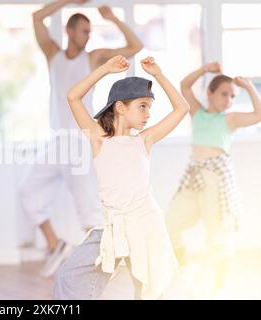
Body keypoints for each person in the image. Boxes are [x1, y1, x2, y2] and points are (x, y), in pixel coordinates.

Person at [20, 0, 143, 277]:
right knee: (28, 192)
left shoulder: (94, 57)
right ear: (70, 31)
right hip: (57, 143)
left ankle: (106, 263)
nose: (88, 36)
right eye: (84, 31)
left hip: (80, 143)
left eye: (89, 31)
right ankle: (55, 244)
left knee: (88, 212)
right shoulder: (53, 54)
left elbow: (135, 46)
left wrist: (113, 18)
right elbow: (37, 17)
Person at [53, 55, 189, 299]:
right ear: (120, 106)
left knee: (148, 288)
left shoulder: (144, 140)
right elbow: (73, 96)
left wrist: (159, 75)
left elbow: (182, 109)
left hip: (145, 223)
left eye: (149, 107)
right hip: (113, 226)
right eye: (143, 106)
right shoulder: (98, 138)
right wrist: (105, 69)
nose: (148, 113)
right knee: (68, 276)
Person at [165, 62, 261, 297]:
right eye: (224, 94)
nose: (229, 100)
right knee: (171, 223)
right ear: (210, 93)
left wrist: (248, 87)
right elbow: (184, 86)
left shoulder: (230, 120)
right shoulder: (197, 112)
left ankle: (217, 286)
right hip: (194, 178)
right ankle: (185, 267)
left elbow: (259, 115)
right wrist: (205, 69)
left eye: (232, 96)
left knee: (217, 237)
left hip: (216, 182)